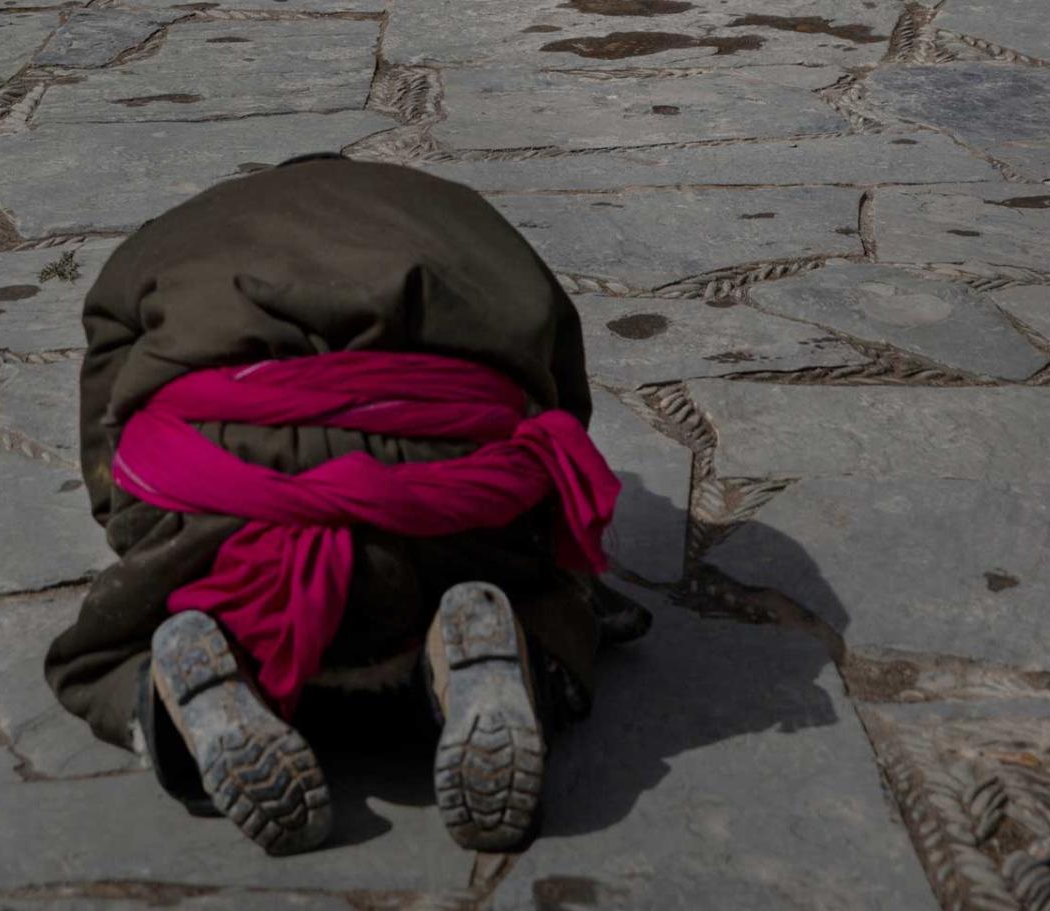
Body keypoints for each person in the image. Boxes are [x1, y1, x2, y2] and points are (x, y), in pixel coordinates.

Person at [45, 155, 639, 857]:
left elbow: (106, 418)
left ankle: (175, 681)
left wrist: (142, 532)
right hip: (439, 490)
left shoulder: (169, 234)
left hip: (225, 485)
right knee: (545, 586)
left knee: (133, 624)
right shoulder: (458, 210)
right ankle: (498, 647)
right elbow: (560, 394)